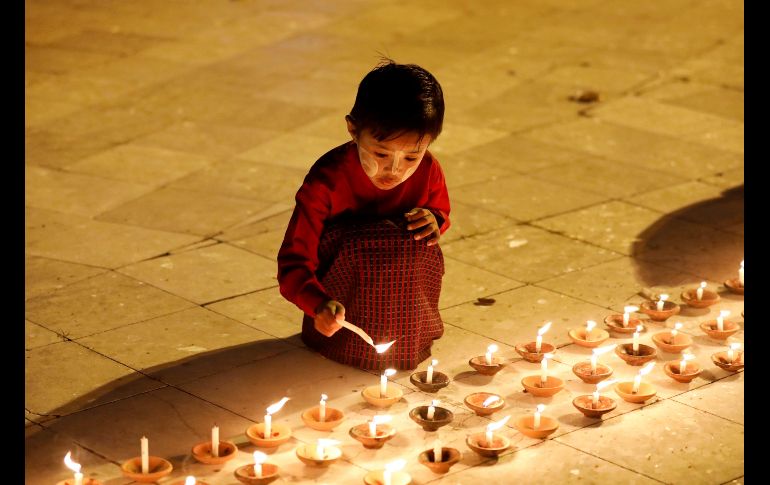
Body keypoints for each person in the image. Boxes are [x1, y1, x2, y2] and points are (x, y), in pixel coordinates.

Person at [277, 59, 450, 370]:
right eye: (381, 154)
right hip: (344, 297)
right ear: (353, 129)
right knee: (365, 245)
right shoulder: (327, 181)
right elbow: (293, 261)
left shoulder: (427, 170)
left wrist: (433, 220)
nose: (395, 170)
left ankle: (412, 339)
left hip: (404, 300)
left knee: (413, 242)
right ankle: (341, 343)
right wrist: (317, 304)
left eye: (411, 156)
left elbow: (440, 213)